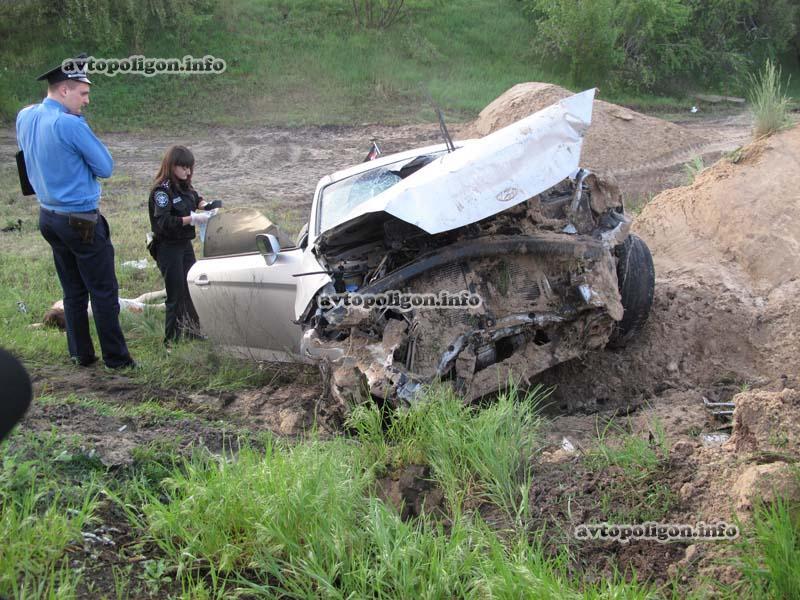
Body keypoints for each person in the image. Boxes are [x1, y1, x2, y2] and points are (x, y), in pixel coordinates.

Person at [16, 54, 135, 369]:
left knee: (72, 289)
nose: (87, 100)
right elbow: (105, 167)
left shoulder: (26, 116)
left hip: (48, 217)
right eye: (83, 93)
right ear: (63, 90)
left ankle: (80, 354)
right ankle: (117, 359)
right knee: (104, 291)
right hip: (80, 219)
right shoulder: (69, 124)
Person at [148, 145, 218, 343]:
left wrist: (206, 206)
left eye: (190, 168)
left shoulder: (183, 185)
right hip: (167, 247)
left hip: (184, 245)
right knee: (175, 293)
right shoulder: (162, 192)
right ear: (172, 166)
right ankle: (171, 340)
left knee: (191, 288)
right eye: (184, 167)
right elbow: (164, 222)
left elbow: (195, 197)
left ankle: (192, 331)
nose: (188, 172)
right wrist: (193, 219)